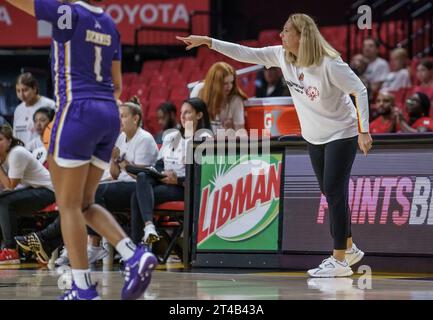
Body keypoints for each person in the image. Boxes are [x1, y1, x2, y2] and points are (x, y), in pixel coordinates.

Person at [178, 12, 373, 278]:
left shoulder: (330, 63)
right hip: (314, 136)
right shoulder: (282, 56)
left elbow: (359, 90)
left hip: (342, 132)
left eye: (286, 31)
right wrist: (209, 42)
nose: (281, 36)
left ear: (302, 36)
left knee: (334, 191)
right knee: (331, 193)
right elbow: (245, 53)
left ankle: (339, 259)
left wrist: (364, 131)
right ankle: (348, 248)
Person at [7, 0, 157, 300]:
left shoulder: (67, 13)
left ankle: (83, 288)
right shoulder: (110, 24)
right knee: (85, 204)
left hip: (77, 110)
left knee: (68, 206)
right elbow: (116, 85)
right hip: (108, 113)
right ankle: (133, 254)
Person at [130, 98, 212, 245]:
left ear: (199, 115)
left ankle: (139, 246)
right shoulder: (172, 137)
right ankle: (148, 229)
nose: (182, 116)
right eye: (181, 112)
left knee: (138, 196)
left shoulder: (205, 139)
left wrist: (177, 180)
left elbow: (203, 176)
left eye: (187, 112)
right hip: (165, 181)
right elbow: (160, 164)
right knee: (142, 176)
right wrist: (160, 174)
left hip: (184, 188)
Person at [0, 125, 55, 264]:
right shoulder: (4, 156)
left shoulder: (16, 153)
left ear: (9, 140)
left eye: (0, 139)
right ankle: (6, 248)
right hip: (35, 189)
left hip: (50, 191)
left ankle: (11, 250)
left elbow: (10, 185)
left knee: (5, 203)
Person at [190, 62, 247, 134]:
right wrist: (188, 141)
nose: (230, 86)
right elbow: (189, 120)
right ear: (214, 83)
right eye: (225, 83)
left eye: (232, 82)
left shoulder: (236, 100)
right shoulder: (199, 90)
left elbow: (240, 132)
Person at [14, 73, 55, 146]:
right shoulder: (18, 109)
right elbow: (15, 135)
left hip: (43, 151)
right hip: (23, 152)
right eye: (18, 91)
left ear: (35, 89)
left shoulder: (50, 105)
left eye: (25, 90)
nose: (21, 94)